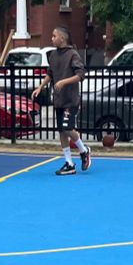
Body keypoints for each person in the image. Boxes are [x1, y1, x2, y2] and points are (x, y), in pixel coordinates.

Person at [32, 26, 91, 176]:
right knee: (61, 131)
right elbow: (50, 74)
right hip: (58, 100)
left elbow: (81, 75)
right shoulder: (52, 55)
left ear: (62, 38)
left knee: (67, 127)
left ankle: (84, 151)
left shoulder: (73, 54)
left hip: (70, 100)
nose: (51, 39)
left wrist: (64, 82)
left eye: (54, 36)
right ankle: (69, 163)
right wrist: (40, 87)